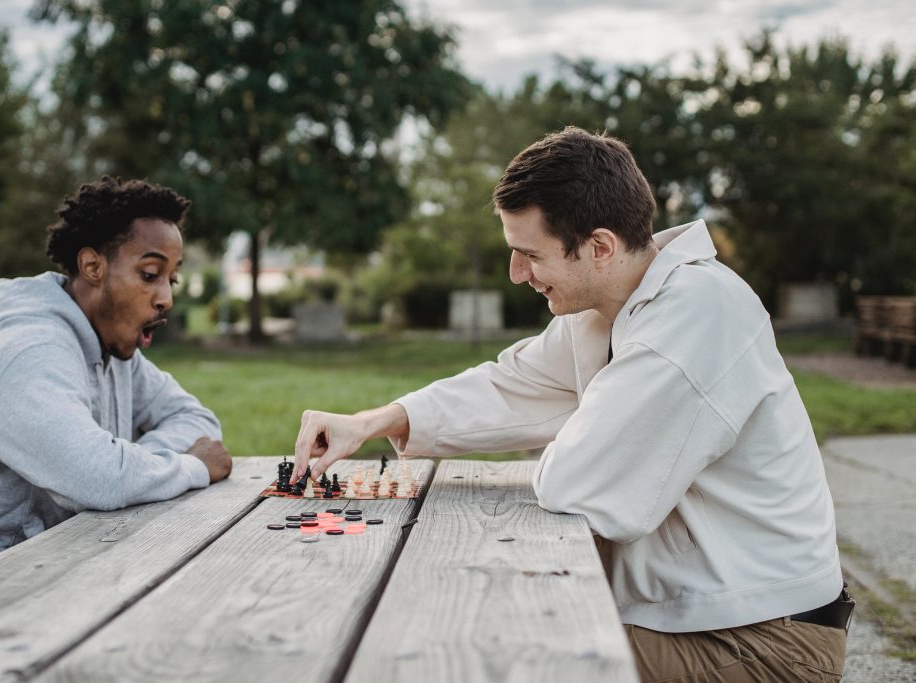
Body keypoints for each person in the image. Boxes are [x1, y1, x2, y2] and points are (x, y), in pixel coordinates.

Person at [292, 127, 851, 681]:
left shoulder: (695, 315)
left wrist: (581, 421)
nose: (516, 274)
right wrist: (371, 421)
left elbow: (579, 485)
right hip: (685, 618)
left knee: (481, 651)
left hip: (762, 641)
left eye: (529, 254)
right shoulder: (606, 307)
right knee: (466, 627)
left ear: (599, 247)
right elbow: (509, 386)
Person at [0, 177, 231, 599]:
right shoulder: (30, 352)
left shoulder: (113, 351)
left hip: (42, 558)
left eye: (172, 280)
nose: (165, 298)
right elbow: (98, 477)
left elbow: (197, 420)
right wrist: (189, 467)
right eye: (150, 275)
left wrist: (137, 464)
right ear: (93, 267)